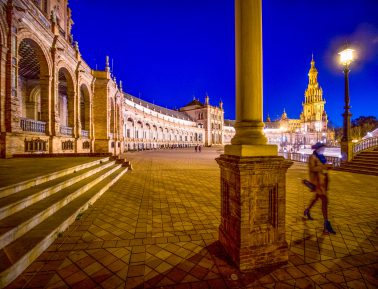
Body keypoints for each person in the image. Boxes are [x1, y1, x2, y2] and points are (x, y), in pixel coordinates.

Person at [303, 142, 336, 234]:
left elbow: (323, 168)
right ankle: (326, 224)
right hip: (318, 182)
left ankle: (307, 210)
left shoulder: (321, 156)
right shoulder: (312, 157)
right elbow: (313, 169)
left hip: (324, 181)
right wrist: (324, 166)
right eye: (322, 148)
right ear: (317, 149)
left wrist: (328, 167)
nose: (323, 150)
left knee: (317, 197)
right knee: (325, 201)